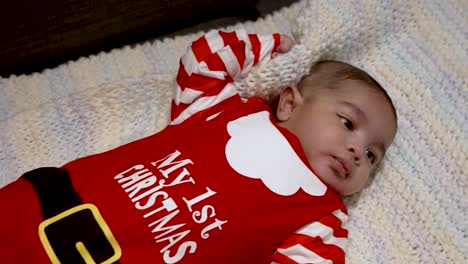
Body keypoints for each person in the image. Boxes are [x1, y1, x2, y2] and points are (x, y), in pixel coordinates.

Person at [0, 30, 396, 264]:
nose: (358, 151)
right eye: (347, 123)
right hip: (51, 204)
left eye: (373, 155)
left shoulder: (324, 218)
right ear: (289, 102)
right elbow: (202, 61)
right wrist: (281, 46)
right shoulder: (225, 110)